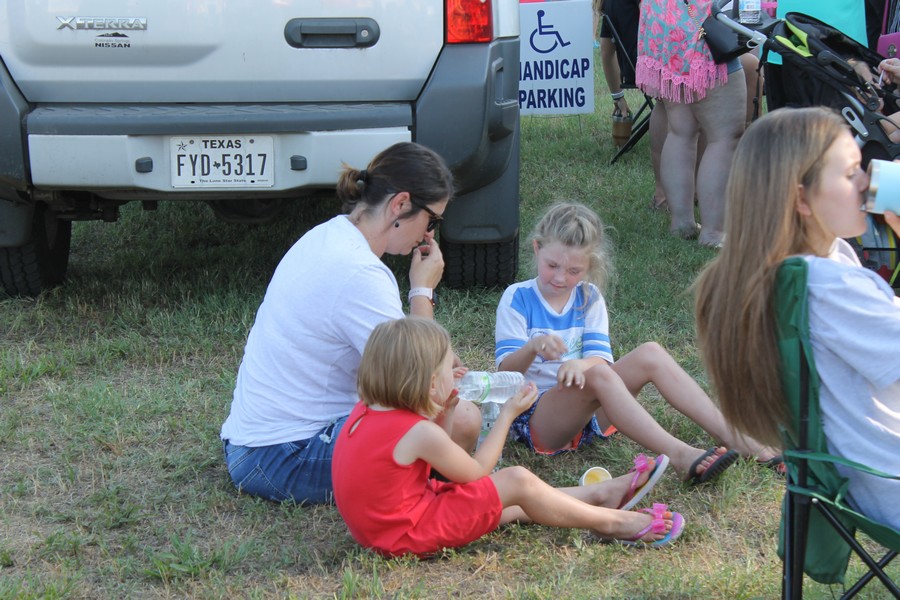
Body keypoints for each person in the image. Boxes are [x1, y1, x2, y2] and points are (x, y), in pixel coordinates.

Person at [220, 142, 481, 505]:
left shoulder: (328, 235)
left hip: (255, 443)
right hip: (281, 457)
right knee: (464, 418)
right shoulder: (360, 273)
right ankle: (437, 496)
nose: (429, 235)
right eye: (432, 220)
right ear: (400, 205)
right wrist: (422, 291)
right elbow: (425, 385)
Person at [694, 107, 900, 529]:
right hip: (887, 477)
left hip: (860, 472)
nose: (867, 184)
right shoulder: (831, 289)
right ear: (801, 198)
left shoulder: (799, 271)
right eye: (851, 174)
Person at [332, 317, 684, 557]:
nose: (455, 372)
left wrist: (449, 410)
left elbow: (435, 462)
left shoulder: (368, 408)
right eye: (446, 368)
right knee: (514, 481)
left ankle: (600, 493)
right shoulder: (417, 431)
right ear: (425, 382)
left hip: (384, 527)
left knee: (510, 506)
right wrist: (507, 415)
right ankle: (614, 523)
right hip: (405, 535)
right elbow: (476, 474)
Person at [494, 202, 777, 482]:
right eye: (552, 265)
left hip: (590, 415)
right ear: (536, 248)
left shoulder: (588, 297)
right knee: (600, 374)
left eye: (573, 271)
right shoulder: (517, 297)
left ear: (589, 266)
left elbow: (598, 360)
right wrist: (533, 347)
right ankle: (680, 455)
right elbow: (506, 372)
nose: (560, 278)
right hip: (538, 420)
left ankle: (732, 435)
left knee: (650, 353)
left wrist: (580, 364)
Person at [636, 0, 746, 248]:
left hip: (665, 28)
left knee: (680, 130)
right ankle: (713, 233)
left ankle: (682, 223)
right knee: (725, 137)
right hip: (701, 30)